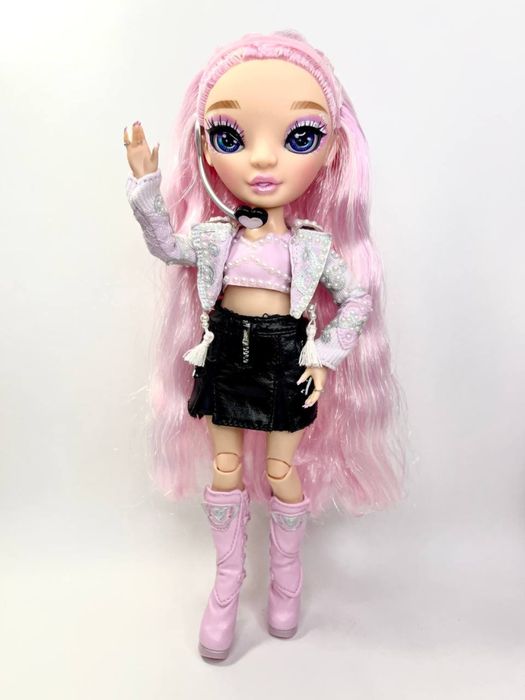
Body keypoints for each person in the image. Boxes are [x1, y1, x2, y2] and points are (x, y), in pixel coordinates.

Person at [123, 30, 407, 661]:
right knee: (225, 468)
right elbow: (167, 247)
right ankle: (226, 585)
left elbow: (355, 299)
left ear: (331, 152)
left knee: (281, 471)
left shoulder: (311, 247)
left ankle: (286, 581)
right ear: (206, 148)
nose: (262, 159)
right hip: (226, 353)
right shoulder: (214, 237)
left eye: (299, 137)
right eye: (231, 137)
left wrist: (324, 357)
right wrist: (146, 186)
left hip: (283, 359)